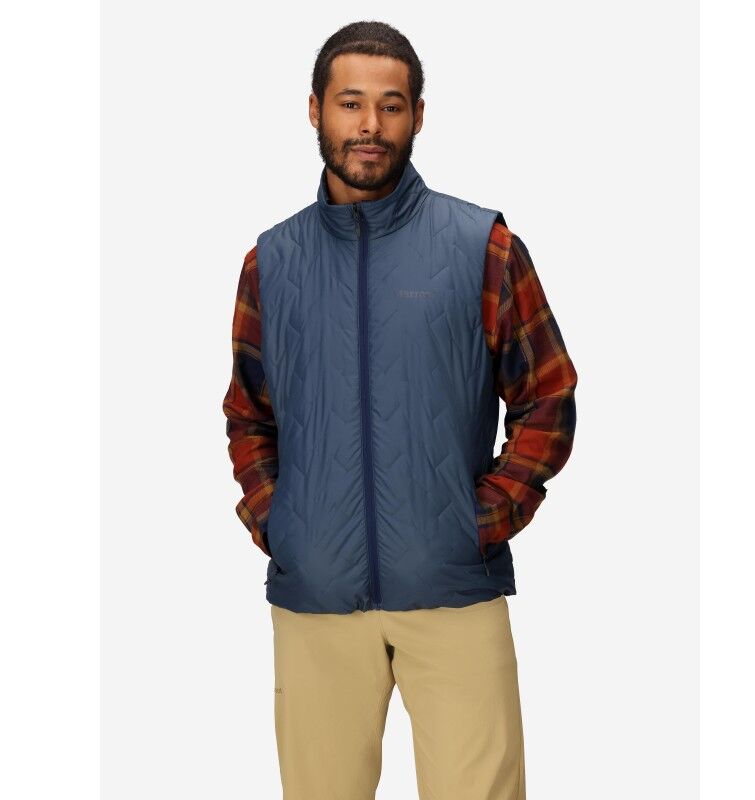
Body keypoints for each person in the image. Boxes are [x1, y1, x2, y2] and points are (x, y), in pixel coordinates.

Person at [222, 20, 578, 800]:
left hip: (454, 592)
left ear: (418, 115)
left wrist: (479, 520)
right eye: (350, 103)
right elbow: (249, 414)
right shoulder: (271, 262)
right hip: (317, 602)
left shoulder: (482, 246)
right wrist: (281, 523)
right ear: (315, 110)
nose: (370, 126)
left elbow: (548, 392)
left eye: (391, 105)